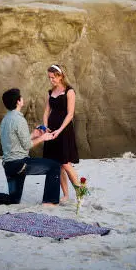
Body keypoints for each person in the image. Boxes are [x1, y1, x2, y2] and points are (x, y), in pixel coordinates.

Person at [0, 88, 60, 207]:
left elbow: (16, 144)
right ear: (18, 101)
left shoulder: (5, 120)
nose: (22, 99)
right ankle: (49, 202)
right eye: (21, 97)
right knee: (54, 166)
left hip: (9, 166)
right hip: (20, 165)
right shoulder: (19, 119)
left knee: (13, 200)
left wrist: (33, 135)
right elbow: (27, 146)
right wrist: (44, 137)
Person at [42, 64, 80, 202]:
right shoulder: (50, 92)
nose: (51, 80)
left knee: (66, 163)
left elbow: (70, 114)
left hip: (64, 131)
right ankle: (65, 195)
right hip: (51, 131)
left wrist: (59, 130)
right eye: (49, 78)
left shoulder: (69, 91)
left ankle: (80, 193)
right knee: (58, 165)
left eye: (53, 77)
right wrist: (45, 127)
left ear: (60, 76)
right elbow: (46, 112)